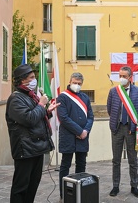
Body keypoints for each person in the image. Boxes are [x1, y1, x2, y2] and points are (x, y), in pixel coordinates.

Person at [5, 64, 60, 203]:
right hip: (25, 149)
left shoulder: (30, 96)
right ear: (23, 80)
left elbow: (34, 117)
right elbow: (28, 119)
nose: (35, 80)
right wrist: (41, 105)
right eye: (32, 77)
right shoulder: (15, 99)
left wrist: (47, 111)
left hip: (36, 148)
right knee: (21, 187)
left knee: (33, 185)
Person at [107, 66, 138, 198]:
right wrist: (115, 124)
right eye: (120, 76)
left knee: (133, 160)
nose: (121, 78)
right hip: (117, 129)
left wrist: (133, 125)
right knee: (116, 160)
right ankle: (115, 186)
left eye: (124, 76)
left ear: (130, 77)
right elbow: (109, 109)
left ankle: (134, 186)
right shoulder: (113, 91)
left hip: (131, 130)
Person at [57, 72, 94, 200]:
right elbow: (63, 118)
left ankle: (80, 192)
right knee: (65, 165)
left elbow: (90, 116)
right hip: (68, 136)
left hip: (83, 138)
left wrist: (86, 131)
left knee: (81, 165)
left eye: (79, 84)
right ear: (70, 81)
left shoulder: (85, 97)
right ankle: (64, 193)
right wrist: (79, 131)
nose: (77, 85)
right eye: (74, 83)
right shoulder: (62, 97)